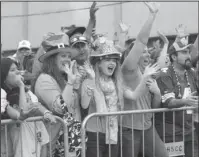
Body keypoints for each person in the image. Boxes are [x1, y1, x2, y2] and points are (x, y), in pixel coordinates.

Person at [81, 38, 159, 157]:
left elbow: (134, 96)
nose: (112, 63)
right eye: (107, 60)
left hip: (113, 135)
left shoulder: (117, 82)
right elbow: (84, 104)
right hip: (94, 135)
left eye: (114, 60)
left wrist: (145, 78)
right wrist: (92, 81)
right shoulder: (88, 81)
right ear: (98, 63)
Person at [120, 2, 169, 157]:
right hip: (129, 128)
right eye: (144, 52)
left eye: (149, 52)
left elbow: (153, 107)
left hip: (147, 127)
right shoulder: (128, 69)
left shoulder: (148, 72)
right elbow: (141, 41)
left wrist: (157, 94)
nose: (148, 54)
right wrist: (152, 16)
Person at [33, 32, 82, 156]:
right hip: (52, 145)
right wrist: (71, 83)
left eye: (69, 56)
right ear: (52, 59)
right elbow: (60, 108)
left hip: (69, 142)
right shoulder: (44, 79)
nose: (67, 60)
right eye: (63, 56)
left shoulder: (64, 79)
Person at [156, 25, 198, 157]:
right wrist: (186, 101)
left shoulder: (191, 73)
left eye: (188, 52)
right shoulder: (164, 74)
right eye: (184, 53)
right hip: (171, 133)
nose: (188, 56)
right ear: (174, 57)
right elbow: (169, 102)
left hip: (189, 130)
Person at [1, 57, 56, 157]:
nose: (18, 72)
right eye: (12, 70)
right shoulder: (5, 96)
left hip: (35, 140)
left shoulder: (24, 91)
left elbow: (35, 104)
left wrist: (46, 113)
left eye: (17, 69)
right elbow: (24, 111)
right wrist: (21, 86)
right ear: (3, 76)